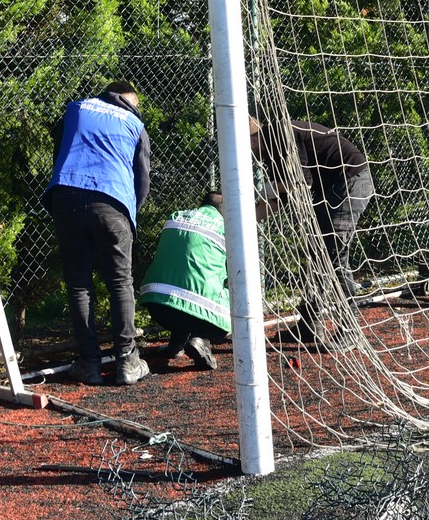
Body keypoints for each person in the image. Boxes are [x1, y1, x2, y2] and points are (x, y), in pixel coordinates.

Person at [45, 81, 152, 386]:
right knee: (120, 281)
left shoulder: (75, 109)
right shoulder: (134, 124)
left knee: (79, 283)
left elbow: (61, 153)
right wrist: (131, 211)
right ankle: (128, 362)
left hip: (66, 196)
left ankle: (89, 364)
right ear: (128, 102)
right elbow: (142, 179)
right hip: (113, 202)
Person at [253, 117, 374, 346]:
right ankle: (309, 325)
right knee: (316, 255)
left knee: (333, 256)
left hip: (349, 182)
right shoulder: (270, 148)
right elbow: (283, 197)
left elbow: (300, 183)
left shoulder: (280, 133)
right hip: (331, 188)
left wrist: (260, 191)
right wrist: (247, 220)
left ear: (251, 136)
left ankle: (350, 328)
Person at [137, 193, 231, 372]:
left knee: (182, 286)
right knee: (235, 293)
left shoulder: (176, 215)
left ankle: (177, 340)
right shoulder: (226, 226)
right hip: (199, 312)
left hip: (157, 306)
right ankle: (200, 338)